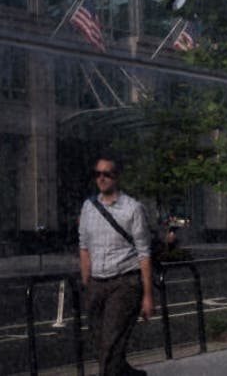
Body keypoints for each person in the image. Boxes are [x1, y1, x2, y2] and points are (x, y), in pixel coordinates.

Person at [79, 157, 153, 376]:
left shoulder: (133, 209)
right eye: (97, 174)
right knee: (102, 343)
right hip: (96, 283)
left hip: (124, 283)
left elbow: (144, 253)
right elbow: (84, 247)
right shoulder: (89, 207)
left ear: (116, 177)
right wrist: (87, 282)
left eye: (107, 174)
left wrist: (147, 295)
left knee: (111, 343)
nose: (101, 178)